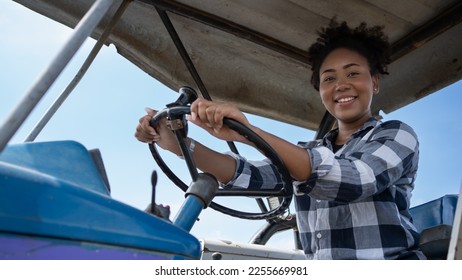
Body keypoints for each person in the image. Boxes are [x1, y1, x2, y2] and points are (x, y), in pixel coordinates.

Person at [135, 19, 425, 260]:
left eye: (353, 73)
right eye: (329, 78)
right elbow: (248, 175)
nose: (342, 85)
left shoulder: (396, 134)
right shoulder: (309, 152)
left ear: (374, 81)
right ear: (320, 90)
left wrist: (246, 132)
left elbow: (353, 180)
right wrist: (179, 146)